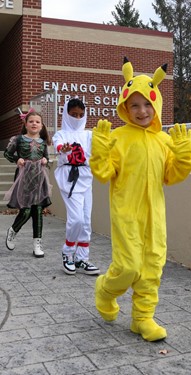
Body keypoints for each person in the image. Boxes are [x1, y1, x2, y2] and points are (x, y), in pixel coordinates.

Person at [89, 57, 191, 341]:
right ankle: (105, 290)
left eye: (147, 103)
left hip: (155, 216)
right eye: (134, 105)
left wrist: (184, 155)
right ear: (124, 106)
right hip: (126, 214)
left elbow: (171, 175)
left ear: (156, 103)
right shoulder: (119, 137)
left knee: (151, 266)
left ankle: (142, 318)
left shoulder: (162, 139)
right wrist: (99, 151)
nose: (142, 110)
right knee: (128, 267)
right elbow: (103, 173)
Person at [52, 97, 100, 276]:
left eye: (81, 115)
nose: (78, 118)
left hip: (86, 178)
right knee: (76, 219)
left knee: (86, 221)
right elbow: (58, 146)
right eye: (74, 114)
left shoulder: (89, 135)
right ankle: (67, 252)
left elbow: (101, 147)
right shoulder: (61, 134)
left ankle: (82, 258)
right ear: (66, 114)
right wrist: (62, 149)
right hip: (69, 179)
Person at [4, 108, 52, 258]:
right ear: (25, 124)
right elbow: (7, 154)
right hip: (24, 178)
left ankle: (37, 244)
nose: (34, 123)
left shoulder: (43, 142)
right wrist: (16, 159)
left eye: (37, 122)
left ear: (41, 126)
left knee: (37, 211)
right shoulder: (18, 139)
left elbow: (47, 158)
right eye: (31, 121)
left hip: (39, 179)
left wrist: (46, 160)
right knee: (25, 211)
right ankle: (13, 231)